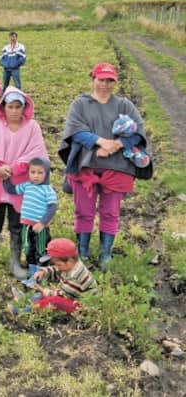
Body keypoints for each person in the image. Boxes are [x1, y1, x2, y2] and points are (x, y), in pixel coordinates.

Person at [59, 62, 152, 268]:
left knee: (110, 212)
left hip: (116, 168)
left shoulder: (124, 105)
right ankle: (83, 252)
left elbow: (138, 132)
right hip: (86, 167)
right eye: (101, 80)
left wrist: (116, 145)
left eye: (110, 81)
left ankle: (105, 254)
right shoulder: (80, 104)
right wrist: (100, 142)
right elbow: (75, 130)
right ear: (93, 79)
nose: (105, 84)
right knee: (84, 211)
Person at [0, 87, 47, 278]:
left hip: (20, 185)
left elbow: (36, 153)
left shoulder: (32, 128)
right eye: (10, 107)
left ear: (24, 108)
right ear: (3, 107)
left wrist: (15, 168)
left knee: (17, 224)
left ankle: (15, 262)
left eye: (17, 107)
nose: (14, 111)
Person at [8, 238, 95, 316]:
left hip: (81, 306)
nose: (57, 267)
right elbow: (56, 269)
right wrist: (44, 272)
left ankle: (23, 311)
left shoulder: (75, 276)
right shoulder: (70, 265)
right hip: (70, 295)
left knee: (54, 301)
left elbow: (62, 296)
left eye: (58, 264)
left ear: (70, 260)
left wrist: (42, 290)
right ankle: (25, 299)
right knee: (43, 294)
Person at [10, 157, 57, 272]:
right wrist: (5, 178)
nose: (36, 176)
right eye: (33, 172)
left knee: (41, 248)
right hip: (26, 224)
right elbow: (12, 190)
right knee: (27, 247)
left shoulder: (47, 190)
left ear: (47, 173)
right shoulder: (27, 186)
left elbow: (52, 208)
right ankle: (32, 270)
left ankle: (42, 272)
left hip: (40, 226)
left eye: (40, 173)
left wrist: (42, 223)